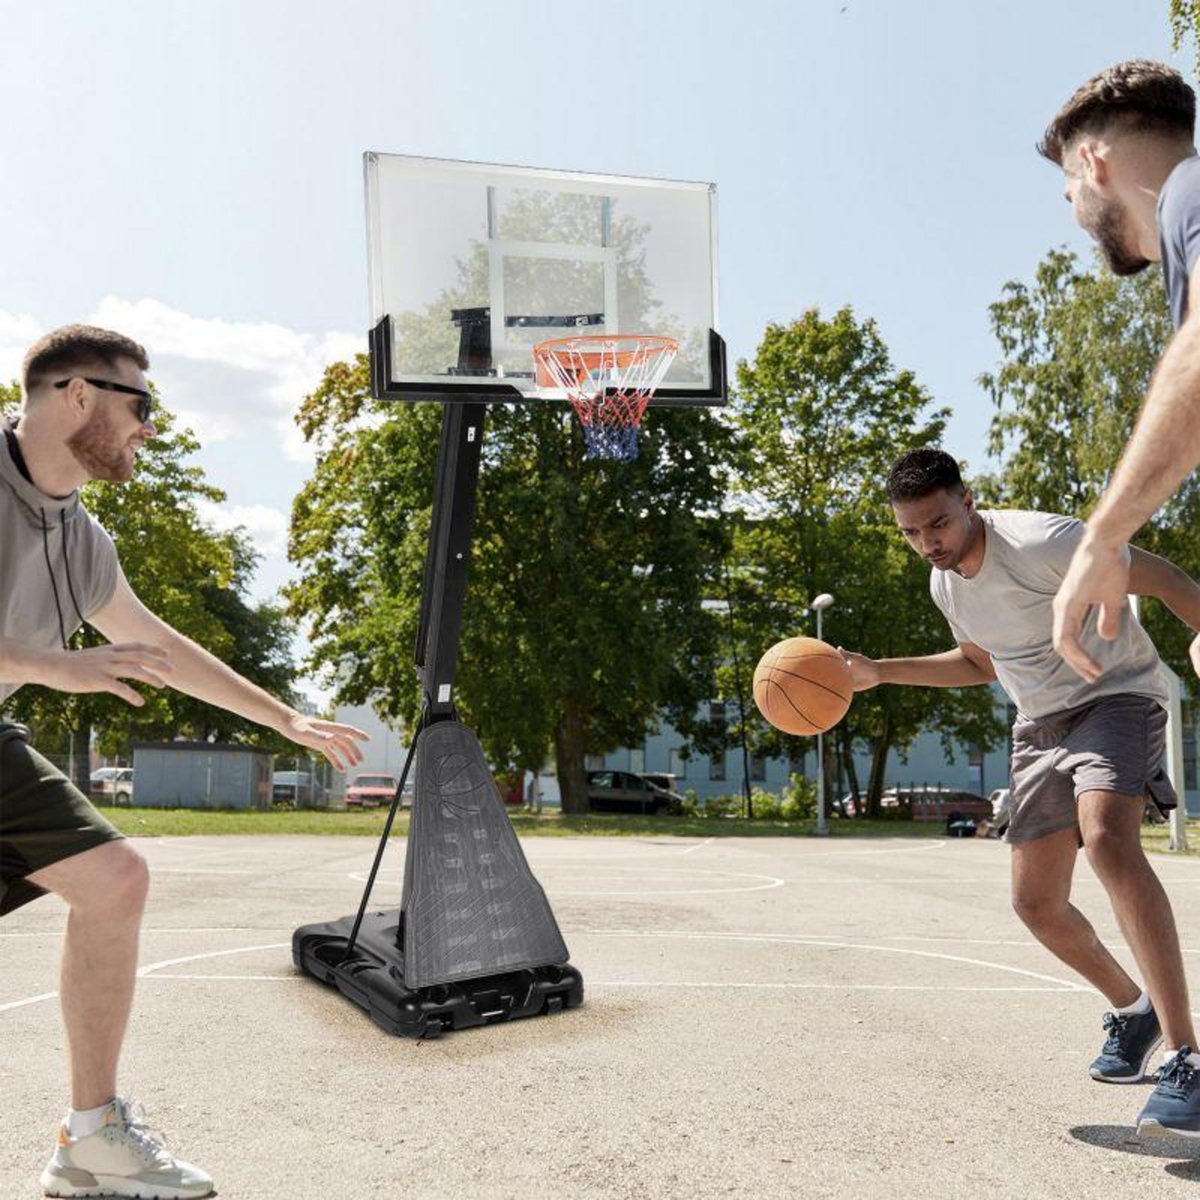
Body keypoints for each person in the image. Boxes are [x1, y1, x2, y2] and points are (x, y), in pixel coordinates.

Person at [0, 325, 369, 1198]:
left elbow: (155, 644)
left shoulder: (81, 542)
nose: (149, 430)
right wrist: (55, 664)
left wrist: (286, 719)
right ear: (77, 395)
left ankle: (90, 1138)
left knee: (114, 877)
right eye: (141, 405)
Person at [840, 448, 1200, 1141]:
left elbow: (1165, 578)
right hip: (1038, 723)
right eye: (911, 534)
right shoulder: (946, 586)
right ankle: (1135, 1012)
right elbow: (980, 664)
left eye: (938, 525)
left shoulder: (1044, 541)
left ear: (968, 500)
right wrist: (879, 671)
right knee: (1036, 902)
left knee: (1108, 838)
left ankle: (1187, 1054)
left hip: (1117, 696)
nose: (928, 545)